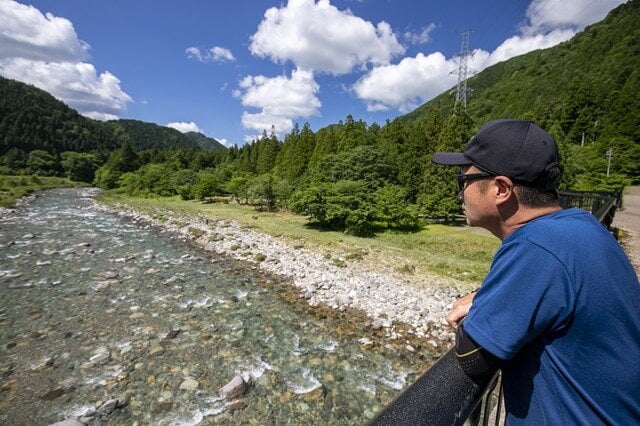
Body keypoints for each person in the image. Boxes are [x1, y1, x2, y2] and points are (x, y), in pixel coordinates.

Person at [432, 119, 640, 424]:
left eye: (463, 180)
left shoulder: (535, 246)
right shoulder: (582, 225)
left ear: (501, 188)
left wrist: (482, 304)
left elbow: (473, 357)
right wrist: (488, 296)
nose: (460, 193)